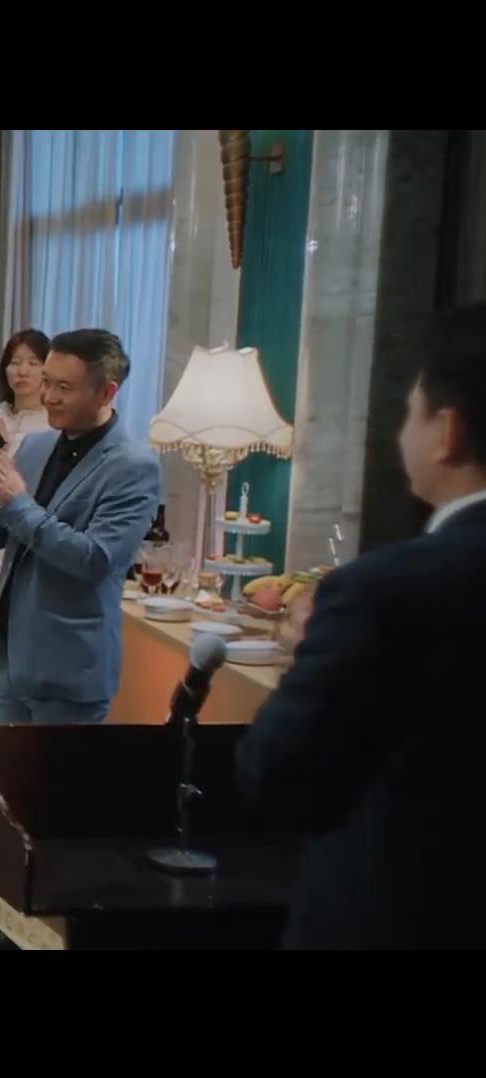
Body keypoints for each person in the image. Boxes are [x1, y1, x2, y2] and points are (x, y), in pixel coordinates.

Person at [236, 321, 486, 949]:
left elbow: (278, 777)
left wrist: (309, 656)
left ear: (447, 432)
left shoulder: (385, 591)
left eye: (410, 413)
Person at [0, 328, 160, 950]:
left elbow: (94, 559)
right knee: (9, 809)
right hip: (11, 650)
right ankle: (10, 928)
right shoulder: (39, 444)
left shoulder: (134, 465)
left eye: (62, 387)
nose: (46, 395)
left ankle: (53, 937)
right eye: (45, 381)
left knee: (57, 816)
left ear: (107, 391)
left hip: (70, 663)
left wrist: (16, 501)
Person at [0, 328, 52, 679]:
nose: (22, 371)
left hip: (31, 534)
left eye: (33, 362)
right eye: (15, 362)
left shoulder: (55, 425)